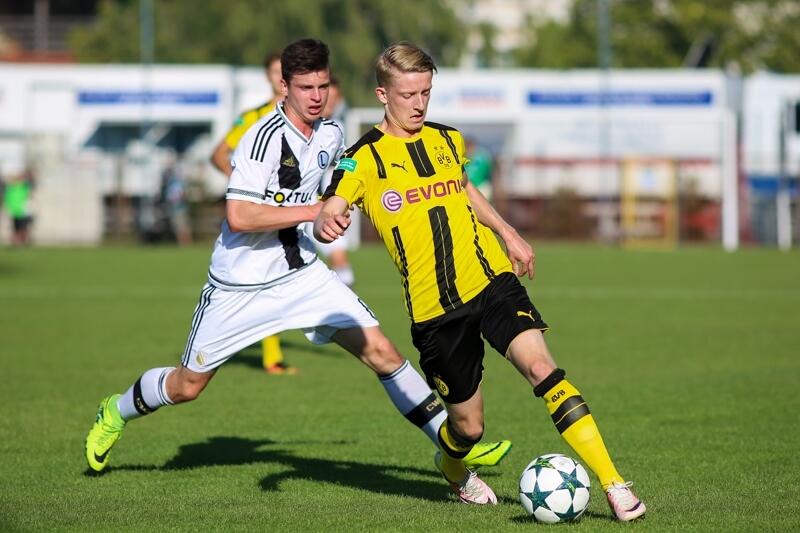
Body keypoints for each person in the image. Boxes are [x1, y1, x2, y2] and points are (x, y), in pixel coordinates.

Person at [85, 39, 510, 499]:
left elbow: (341, 192)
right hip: (240, 287)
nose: (316, 96)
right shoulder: (262, 138)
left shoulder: (330, 135)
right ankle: (117, 410)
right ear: (284, 86)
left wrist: (338, 214)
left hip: (304, 276)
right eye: (305, 86)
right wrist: (313, 212)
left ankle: (456, 455)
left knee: (382, 353)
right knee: (187, 386)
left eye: (323, 85)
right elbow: (240, 216)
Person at [314, 41, 646, 519]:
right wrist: (330, 216)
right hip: (435, 312)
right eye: (408, 94)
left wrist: (507, 232)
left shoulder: (448, 138)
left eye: (426, 91)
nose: (419, 103)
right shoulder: (362, 157)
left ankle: (615, 484)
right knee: (468, 428)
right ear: (382, 95)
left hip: (490, 280)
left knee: (543, 369)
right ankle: (452, 467)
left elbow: (465, 190)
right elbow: (336, 199)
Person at [210, 50, 294, 375]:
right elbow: (218, 154)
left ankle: (270, 355)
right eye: (275, 71)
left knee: (275, 280)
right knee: (256, 280)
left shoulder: (304, 116)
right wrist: (244, 185)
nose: (279, 76)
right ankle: (267, 356)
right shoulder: (252, 117)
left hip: (289, 210)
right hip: (258, 212)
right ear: (269, 77)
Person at [307, 75, 355, 286]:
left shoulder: (336, 129)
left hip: (323, 207)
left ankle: (347, 311)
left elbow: (344, 164)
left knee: (339, 258)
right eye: (328, 99)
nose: (330, 104)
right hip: (298, 207)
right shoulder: (303, 127)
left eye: (335, 100)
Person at [158, 153, 192, 246]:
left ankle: (185, 243)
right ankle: (183, 243)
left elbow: (182, 193)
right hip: (174, 206)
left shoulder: (178, 181)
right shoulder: (171, 181)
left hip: (179, 206)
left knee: (182, 226)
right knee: (178, 226)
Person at [3, 165, 35, 246]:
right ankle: (17, 241)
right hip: (15, 211)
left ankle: (21, 241)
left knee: (22, 227)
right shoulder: (11, 188)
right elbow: (7, 199)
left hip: (22, 211)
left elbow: (29, 195)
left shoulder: (23, 187)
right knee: (16, 228)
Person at [464, 137, 493, 202]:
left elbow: (490, 173)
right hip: (469, 189)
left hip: (482, 187)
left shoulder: (482, 158)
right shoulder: (463, 159)